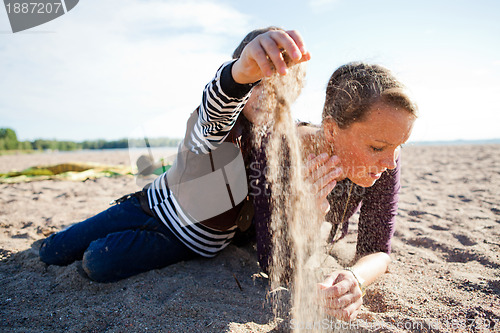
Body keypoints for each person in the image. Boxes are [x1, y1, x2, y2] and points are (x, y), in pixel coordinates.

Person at [250, 62, 418, 322]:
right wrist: (308, 217)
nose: (391, 163)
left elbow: (378, 250)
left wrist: (354, 278)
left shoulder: (384, 158)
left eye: (399, 146)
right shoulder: (279, 152)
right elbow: (275, 265)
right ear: (330, 130)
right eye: (377, 147)